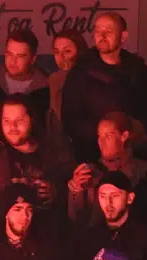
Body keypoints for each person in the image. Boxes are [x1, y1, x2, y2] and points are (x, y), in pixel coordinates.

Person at [62, 11, 147, 163]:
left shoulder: (137, 70)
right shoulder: (81, 71)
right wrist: (105, 133)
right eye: (98, 31)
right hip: (92, 156)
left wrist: (136, 128)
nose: (102, 36)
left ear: (123, 36)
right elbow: (70, 119)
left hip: (131, 156)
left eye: (108, 31)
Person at [0, 97, 64, 229]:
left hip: (44, 232)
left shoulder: (53, 154)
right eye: (7, 121)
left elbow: (72, 194)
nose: (12, 126)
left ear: (32, 119)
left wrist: (56, 192)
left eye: (19, 120)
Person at [71, 172, 147, 260]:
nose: (108, 203)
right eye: (102, 196)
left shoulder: (146, 237)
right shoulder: (89, 237)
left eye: (115, 195)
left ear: (130, 198)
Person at [68, 112, 147, 226]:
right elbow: (77, 219)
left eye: (108, 136)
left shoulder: (143, 171)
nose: (101, 142)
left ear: (124, 136)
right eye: (99, 136)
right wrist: (76, 190)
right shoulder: (90, 172)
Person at [0, 29, 50, 136]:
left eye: (20, 56)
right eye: (9, 54)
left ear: (33, 59)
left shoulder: (48, 91)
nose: (13, 61)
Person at [44, 29, 88, 162]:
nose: (61, 57)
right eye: (56, 52)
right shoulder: (54, 79)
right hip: (60, 150)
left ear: (80, 51)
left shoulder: (90, 78)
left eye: (67, 51)